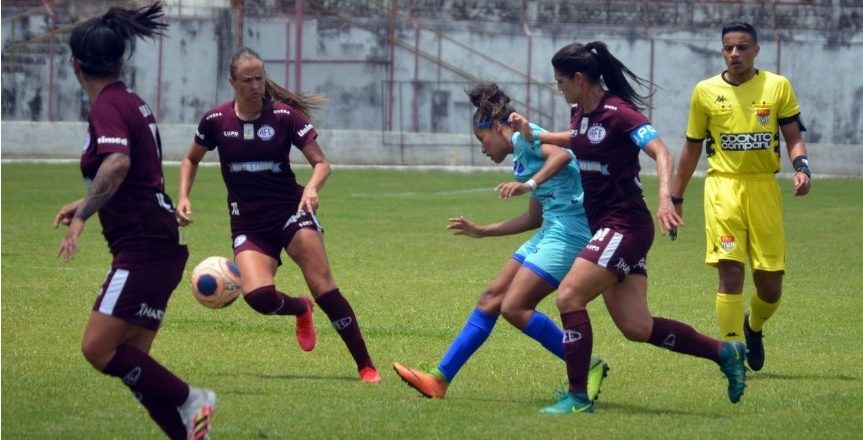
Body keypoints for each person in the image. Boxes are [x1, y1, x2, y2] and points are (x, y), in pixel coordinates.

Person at [510, 41, 747, 414]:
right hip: (611, 228)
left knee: (568, 296)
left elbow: (662, 152)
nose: (559, 89)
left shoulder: (619, 113)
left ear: (579, 78)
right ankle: (724, 352)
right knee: (636, 326)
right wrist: (534, 134)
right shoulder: (581, 112)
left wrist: (666, 199)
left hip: (625, 226)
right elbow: (578, 139)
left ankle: (577, 397)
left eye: (561, 82)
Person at [54, 3, 216, 439]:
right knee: (133, 363)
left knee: (97, 348)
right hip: (158, 243)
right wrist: (85, 199)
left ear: (75, 65)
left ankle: (192, 399)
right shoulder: (130, 101)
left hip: (143, 248)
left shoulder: (106, 107)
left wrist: (83, 215)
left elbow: (118, 163)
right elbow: (136, 174)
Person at [393, 83, 610, 400]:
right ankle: (439, 379)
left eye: (482, 139)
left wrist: (529, 184)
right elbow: (533, 218)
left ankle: (587, 365)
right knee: (491, 298)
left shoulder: (525, 137)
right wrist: (483, 230)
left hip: (570, 234)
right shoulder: (521, 154)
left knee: (515, 307)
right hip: (550, 230)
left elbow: (563, 154)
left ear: (497, 127)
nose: (483, 149)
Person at [177, 47, 380, 383]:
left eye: (260, 78)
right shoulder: (216, 121)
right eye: (247, 80)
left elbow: (321, 163)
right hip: (248, 223)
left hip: (292, 212)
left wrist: (311, 188)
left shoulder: (284, 116)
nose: (256, 86)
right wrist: (184, 196)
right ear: (232, 82)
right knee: (258, 297)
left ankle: (366, 366)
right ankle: (301, 308)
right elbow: (191, 159)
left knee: (323, 286)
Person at [671, 21, 811, 371]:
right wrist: (675, 197)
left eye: (742, 47)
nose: (735, 54)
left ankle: (754, 326)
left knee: (771, 287)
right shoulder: (705, 91)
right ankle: (731, 354)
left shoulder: (777, 86)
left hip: (764, 188)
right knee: (730, 274)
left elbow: (793, 137)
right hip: (723, 188)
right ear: (722, 51)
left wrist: (802, 168)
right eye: (729, 48)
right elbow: (691, 148)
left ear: (756, 51)